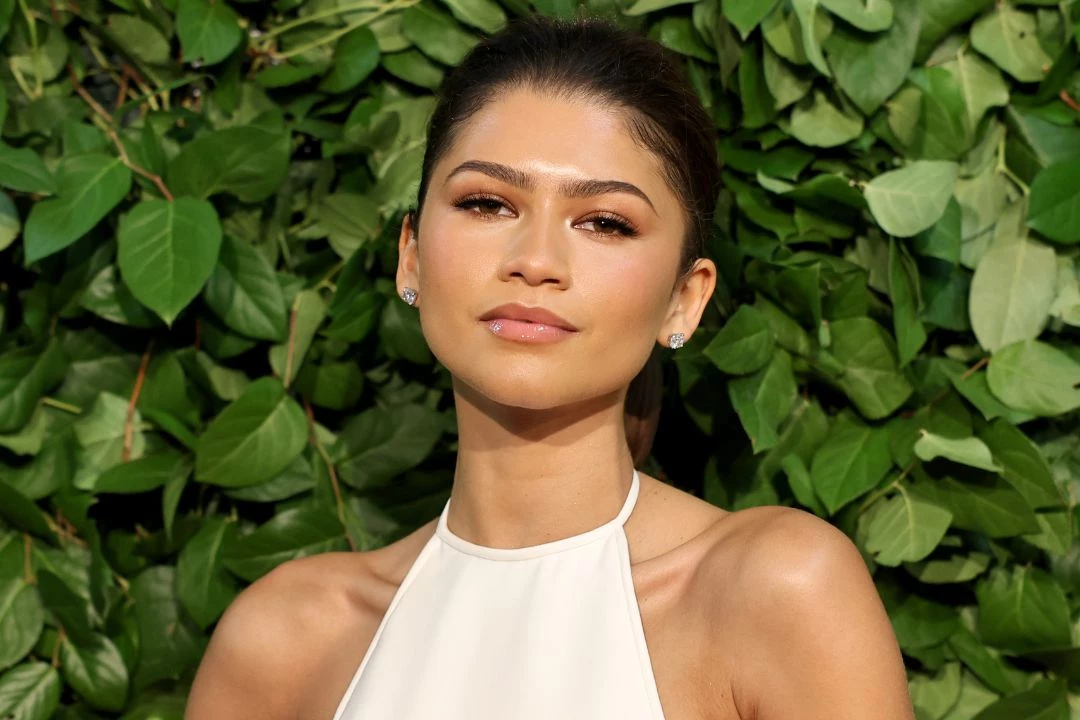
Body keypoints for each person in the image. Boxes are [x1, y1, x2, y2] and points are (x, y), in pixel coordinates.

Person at [185, 13, 916, 720]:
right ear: (411, 255)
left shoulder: (778, 591)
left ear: (684, 300)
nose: (535, 261)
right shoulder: (286, 637)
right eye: (487, 204)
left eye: (605, 222)